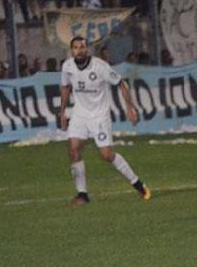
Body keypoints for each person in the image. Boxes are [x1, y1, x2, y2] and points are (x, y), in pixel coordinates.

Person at [59, 37, 150, 205]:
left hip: (99, 117)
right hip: (79, 115)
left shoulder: (100, 67)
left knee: (107, 155)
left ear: (87, 50)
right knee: (73, 149)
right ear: (72, 51)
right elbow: (65, 87)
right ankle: (82, 194)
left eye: (82, 47)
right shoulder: (68, 67)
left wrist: (130, 108)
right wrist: (62, 111)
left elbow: (121, 83)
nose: (79, 50)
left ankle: (137, 183)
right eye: (76, 48)